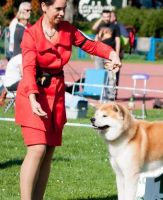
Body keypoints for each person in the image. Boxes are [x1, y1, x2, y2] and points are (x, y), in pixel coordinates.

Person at [14, 0, 121, 199]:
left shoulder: (68, 30)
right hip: (33, 94)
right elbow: (28, 67)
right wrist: (32, 96)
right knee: (37, 148)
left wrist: (111, 53)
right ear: (44, 7)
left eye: (64, 9)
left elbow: (89, 44)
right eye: (58, 9)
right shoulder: (31, 34)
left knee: (49, 151)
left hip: (57, 96)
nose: (62, 13)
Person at [92, 10, 121, 100]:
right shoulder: (100, 25)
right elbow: (93, 29)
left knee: (111, 75)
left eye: (108, 16)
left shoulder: (115, 26)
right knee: (99, 74)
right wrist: (101, 19)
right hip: (99, 53)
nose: (106, 18)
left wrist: (116, 54)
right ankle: (100, 95)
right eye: (104, 16)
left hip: (110, 54)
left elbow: (117, 40)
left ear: (110, 17)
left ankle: (111, 96)